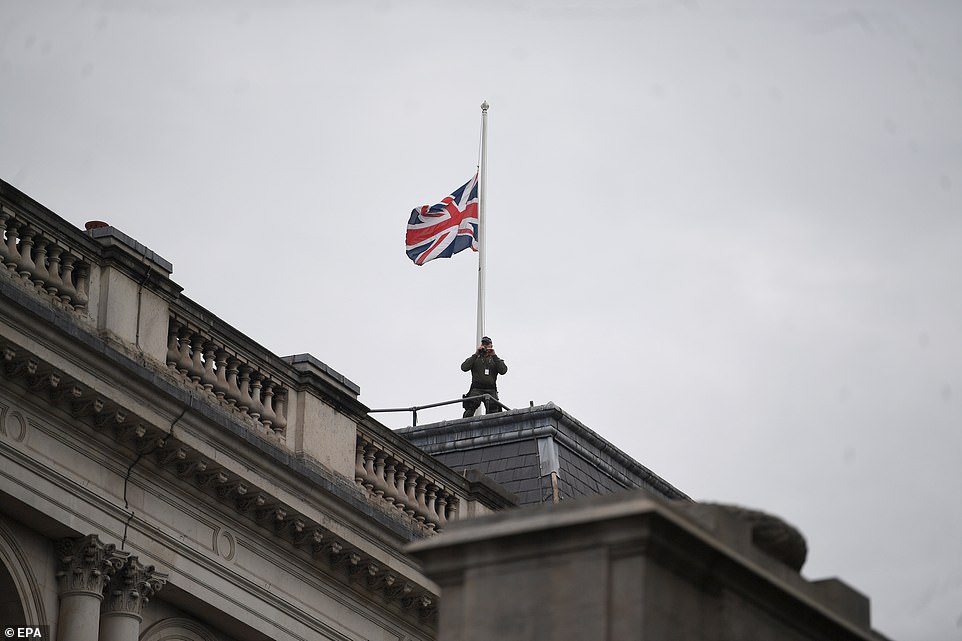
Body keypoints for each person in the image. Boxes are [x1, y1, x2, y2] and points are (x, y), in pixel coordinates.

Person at [461, 336, 508, 418]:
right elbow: (464, 367)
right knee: (470, 406)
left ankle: (492, 427)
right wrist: (476, 354)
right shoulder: (476, 358)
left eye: (487, 344)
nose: (485, 346)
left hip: (491, 389)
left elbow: (503, 370)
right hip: (477, 388)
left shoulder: (495, 360)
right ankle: (464, 426)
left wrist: (494, 355)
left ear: (491, 346)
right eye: (483, 344)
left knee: (494, 409)